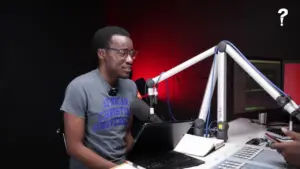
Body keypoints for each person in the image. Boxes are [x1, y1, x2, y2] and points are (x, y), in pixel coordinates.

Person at [60, 26, 138, 169]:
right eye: (123, 53)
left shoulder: (131, 87)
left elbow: (127, 134)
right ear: (102, 54)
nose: (130, 60)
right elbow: (74, 147)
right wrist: (114, 168)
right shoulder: (79, 87)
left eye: (131, 53)